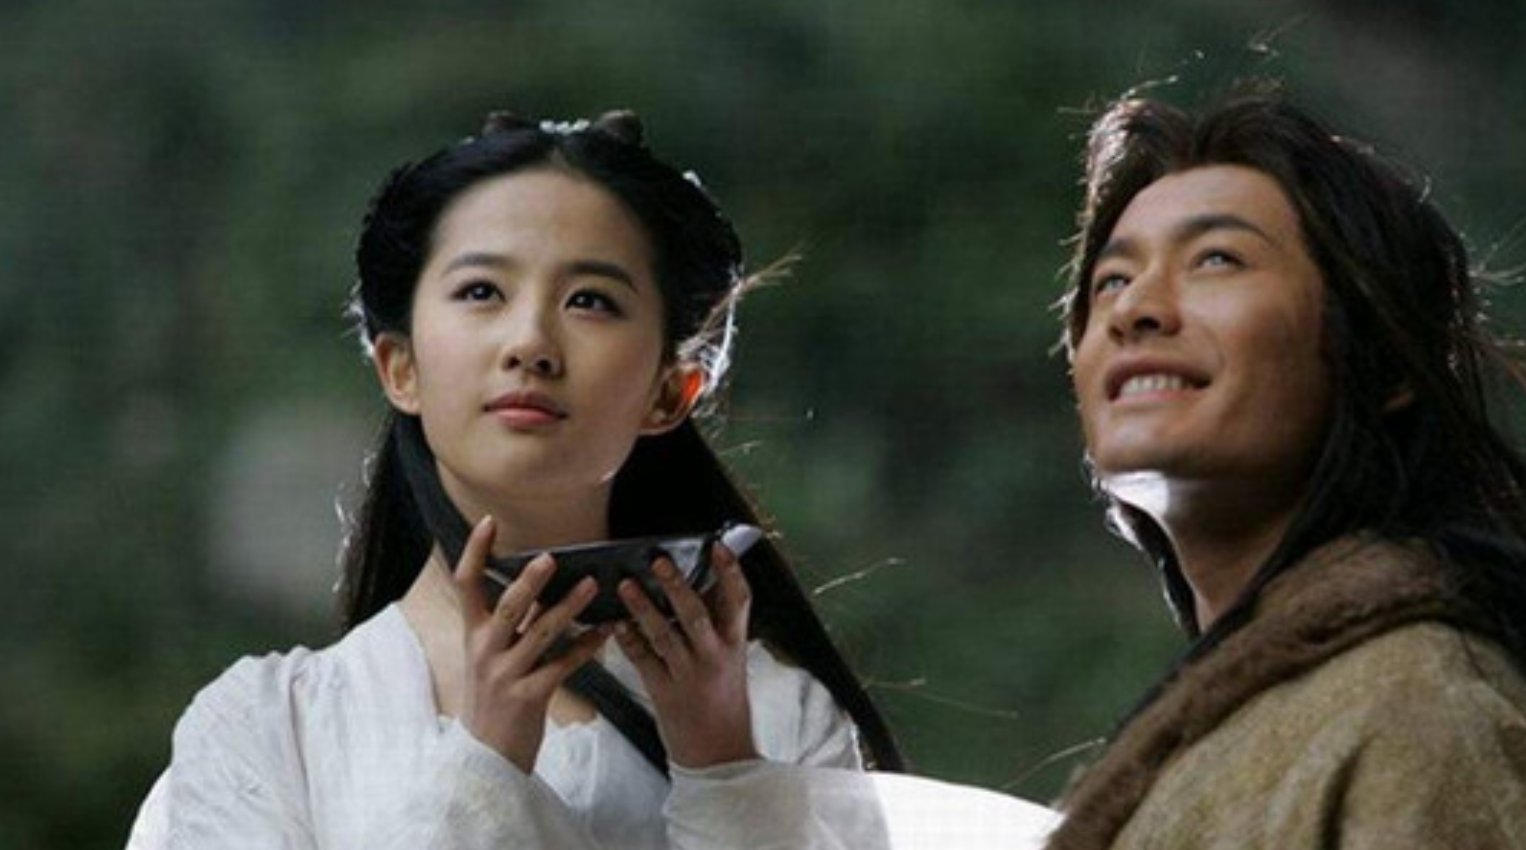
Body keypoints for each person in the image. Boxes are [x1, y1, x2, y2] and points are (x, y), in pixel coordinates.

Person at [126, 108, 903, 849]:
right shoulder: (269, 728)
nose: (530, 342)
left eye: (591, 301)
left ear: (671, 391)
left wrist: (723, 768)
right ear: (400, 367)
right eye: (481, 292)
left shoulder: (780, 718)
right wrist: (485, 758)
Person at [1044, 83, 1526, 848]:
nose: (1135, 309)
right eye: (1113, 279)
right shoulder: (1252, 728)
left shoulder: (1418, 710)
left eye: (1216, 259)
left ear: (1380, 356)